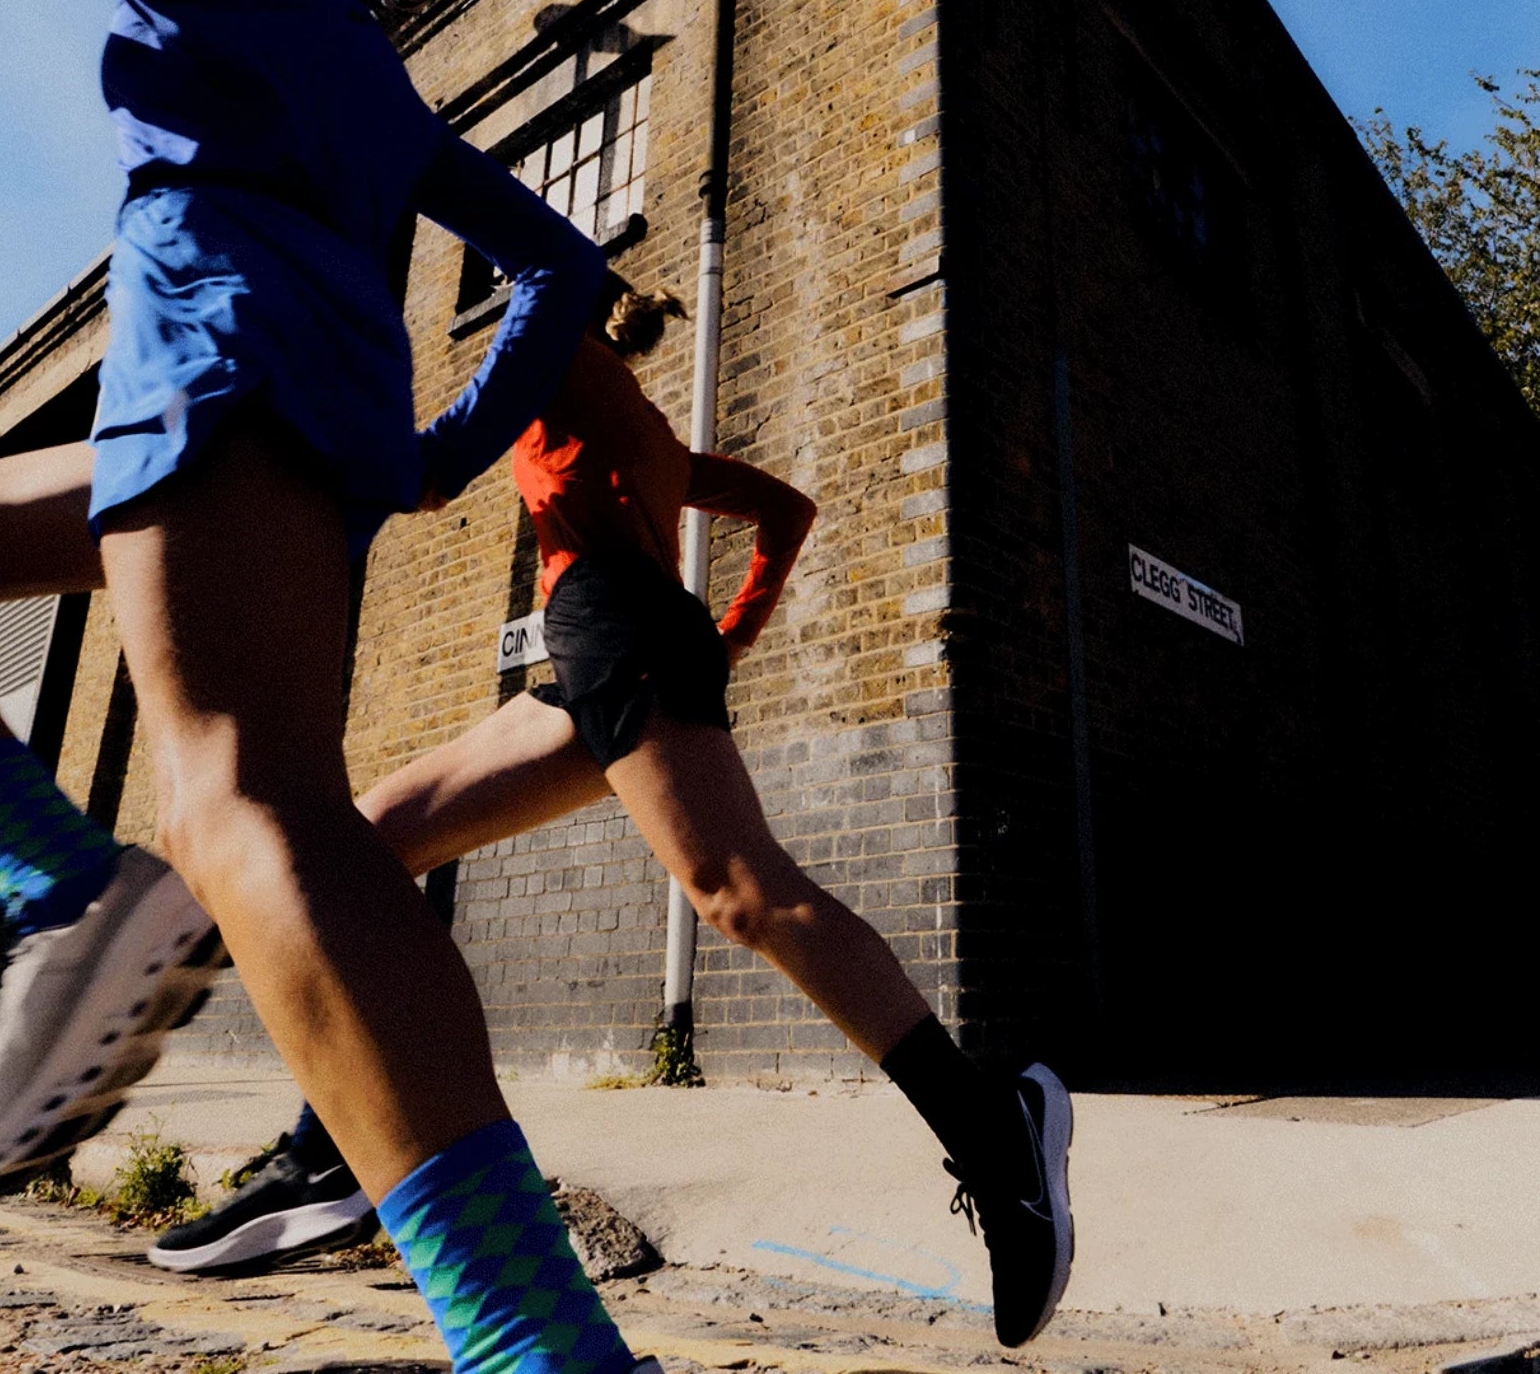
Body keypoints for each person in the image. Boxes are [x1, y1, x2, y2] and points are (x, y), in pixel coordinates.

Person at [0, 0, 662, 1374]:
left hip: (215, 383)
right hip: (274, 424)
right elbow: (564, 266)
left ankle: (540, 1348)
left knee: (252, 813)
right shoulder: (375, 74)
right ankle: (65, 884)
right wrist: (434, 454)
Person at [151, 282, 1076, 1350]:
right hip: (600, 645)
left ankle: (993, 1128)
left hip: (613, 626)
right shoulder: (640, 429)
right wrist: (731, 633)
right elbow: (786, 511)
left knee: (739, 892)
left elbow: (438, 462)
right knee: (366, 840)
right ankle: (328, 1144)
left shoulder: (558, 364)